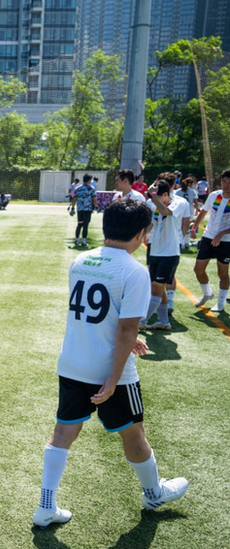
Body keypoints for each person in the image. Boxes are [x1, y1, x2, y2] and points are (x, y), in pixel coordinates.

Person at [32, 199, 188, 529]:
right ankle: (153, 492)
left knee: (62, 432)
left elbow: (100, 319)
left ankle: (46, 505)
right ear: (142, 234)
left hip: (73, 362)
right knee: (135, 434)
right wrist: (114, 378)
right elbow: (127, 326)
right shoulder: (134, 270)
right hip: (110, 372)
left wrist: (129, 340)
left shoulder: (81, 260)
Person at [140, 180, 190, 331]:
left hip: (170, 253)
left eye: (157, 196)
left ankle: (142, 321)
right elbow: (153, 222)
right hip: (155, 250)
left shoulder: (179, 203)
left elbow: (165, 212)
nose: (153, 200)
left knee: (157, 286)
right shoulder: (154, 202)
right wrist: (143, 234)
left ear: (166, 194)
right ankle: (164, 321)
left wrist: (154, 196)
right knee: (159, 288)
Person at [189, 169, 230, 312]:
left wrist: (221, 234)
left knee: (222, 272)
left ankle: (221, 302)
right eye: (224, 181)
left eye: (229, 182)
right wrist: (194, 228)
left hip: (226, 241)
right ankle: (208, 294)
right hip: (208, 237)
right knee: (198, 269)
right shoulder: (214, 195)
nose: (226, 185)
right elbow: (203, 212)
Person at [74, 175, 97, 246]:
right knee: (85, 225)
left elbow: (75, 198)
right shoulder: (91, 188)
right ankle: (83, 241)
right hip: (87, 209)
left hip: (80, 209)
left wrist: (72, 207)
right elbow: (94, 199)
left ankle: (77, 240)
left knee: (79, 224)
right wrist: (96, 206)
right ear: (89, 180)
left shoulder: (78, 188)